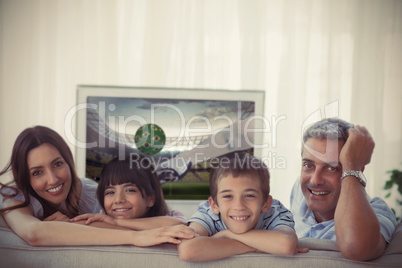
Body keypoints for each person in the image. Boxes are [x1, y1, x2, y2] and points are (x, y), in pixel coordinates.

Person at [0, 126, 197, 247]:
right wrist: (135, 237)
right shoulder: (12, 197)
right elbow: (34, 233)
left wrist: (69, 225)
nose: (52, 180)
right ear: (25, 177)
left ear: (69, 162)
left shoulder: (88, 191)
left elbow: (106, 222)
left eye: (58, 164)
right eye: (37, 172)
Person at [290, 118, 398, 261]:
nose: (315, 181)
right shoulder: (300, 189)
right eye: (308, 165)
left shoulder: (378, 212)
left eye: (331, 168)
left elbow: (356, 247)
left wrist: (352, 167)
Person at [178, 153, 305, 262]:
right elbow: (188, 250)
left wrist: (227, 234)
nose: (238, 206)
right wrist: (260, 246)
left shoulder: (275, 211)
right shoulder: (208, 212)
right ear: (214, 205)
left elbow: (285, 245)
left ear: (266, 203)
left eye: (249, 195)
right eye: (228, 196)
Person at [70, 155, 187, 230]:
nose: (118, 199)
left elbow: (179, 225)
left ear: (151, 198)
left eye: (130, 190)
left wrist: (116, 222)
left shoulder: (171, 217)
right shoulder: (102, 219)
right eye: (110, 192)